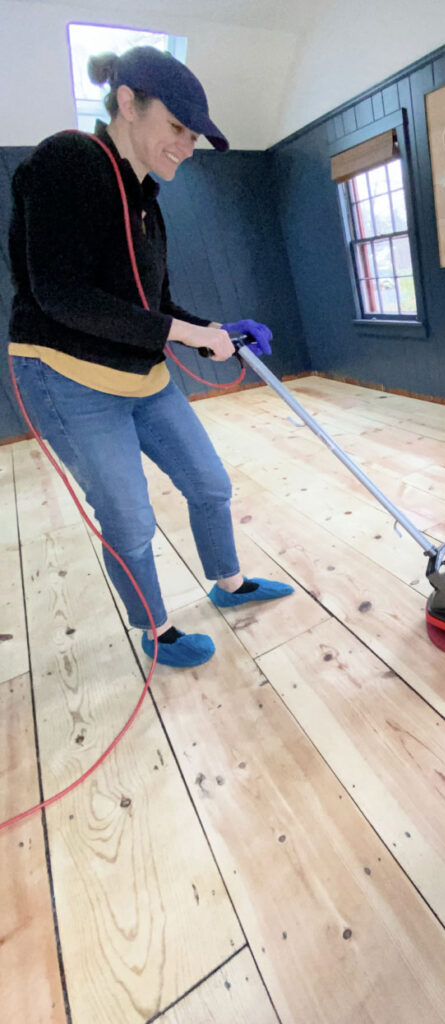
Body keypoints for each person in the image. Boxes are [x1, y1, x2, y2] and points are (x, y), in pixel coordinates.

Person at [8, 46, 293, 668]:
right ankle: (157, 630)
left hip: (142, 376)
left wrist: (216, 329)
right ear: (128, 103)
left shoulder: (146, 202)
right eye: (178, 127)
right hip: (67, 379)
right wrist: (188, 333)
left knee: (208, 482)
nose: (187, 147)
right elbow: (60, 294)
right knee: (129, 517)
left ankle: (229, 583)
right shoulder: (66, 159)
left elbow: (154, 305)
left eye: (194, 136)